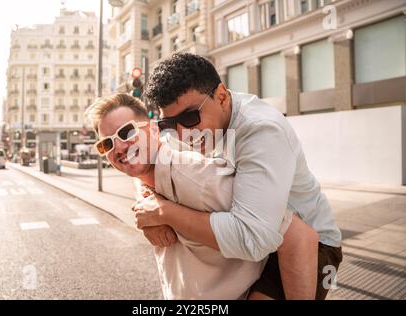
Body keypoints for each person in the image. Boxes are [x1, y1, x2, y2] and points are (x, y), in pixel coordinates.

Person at [134, 53, 343, 300]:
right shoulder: (192, 126)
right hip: (267, 236)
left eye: (190, 117)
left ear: (221, 96)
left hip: (312, 241)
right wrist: (145, 200)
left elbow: (252, 238)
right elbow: (146, 161)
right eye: (169, 123)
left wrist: (162, 212)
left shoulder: (263, 132)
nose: (182, 134)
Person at [87, 93, 318, 299]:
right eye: (106, 144)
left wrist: (162, 212)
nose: (117, 147)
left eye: (126, 132)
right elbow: (143, 170)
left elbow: (299, 236)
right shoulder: (152, 176)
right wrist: (148, 203)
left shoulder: (201, 179)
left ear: (154, 128)